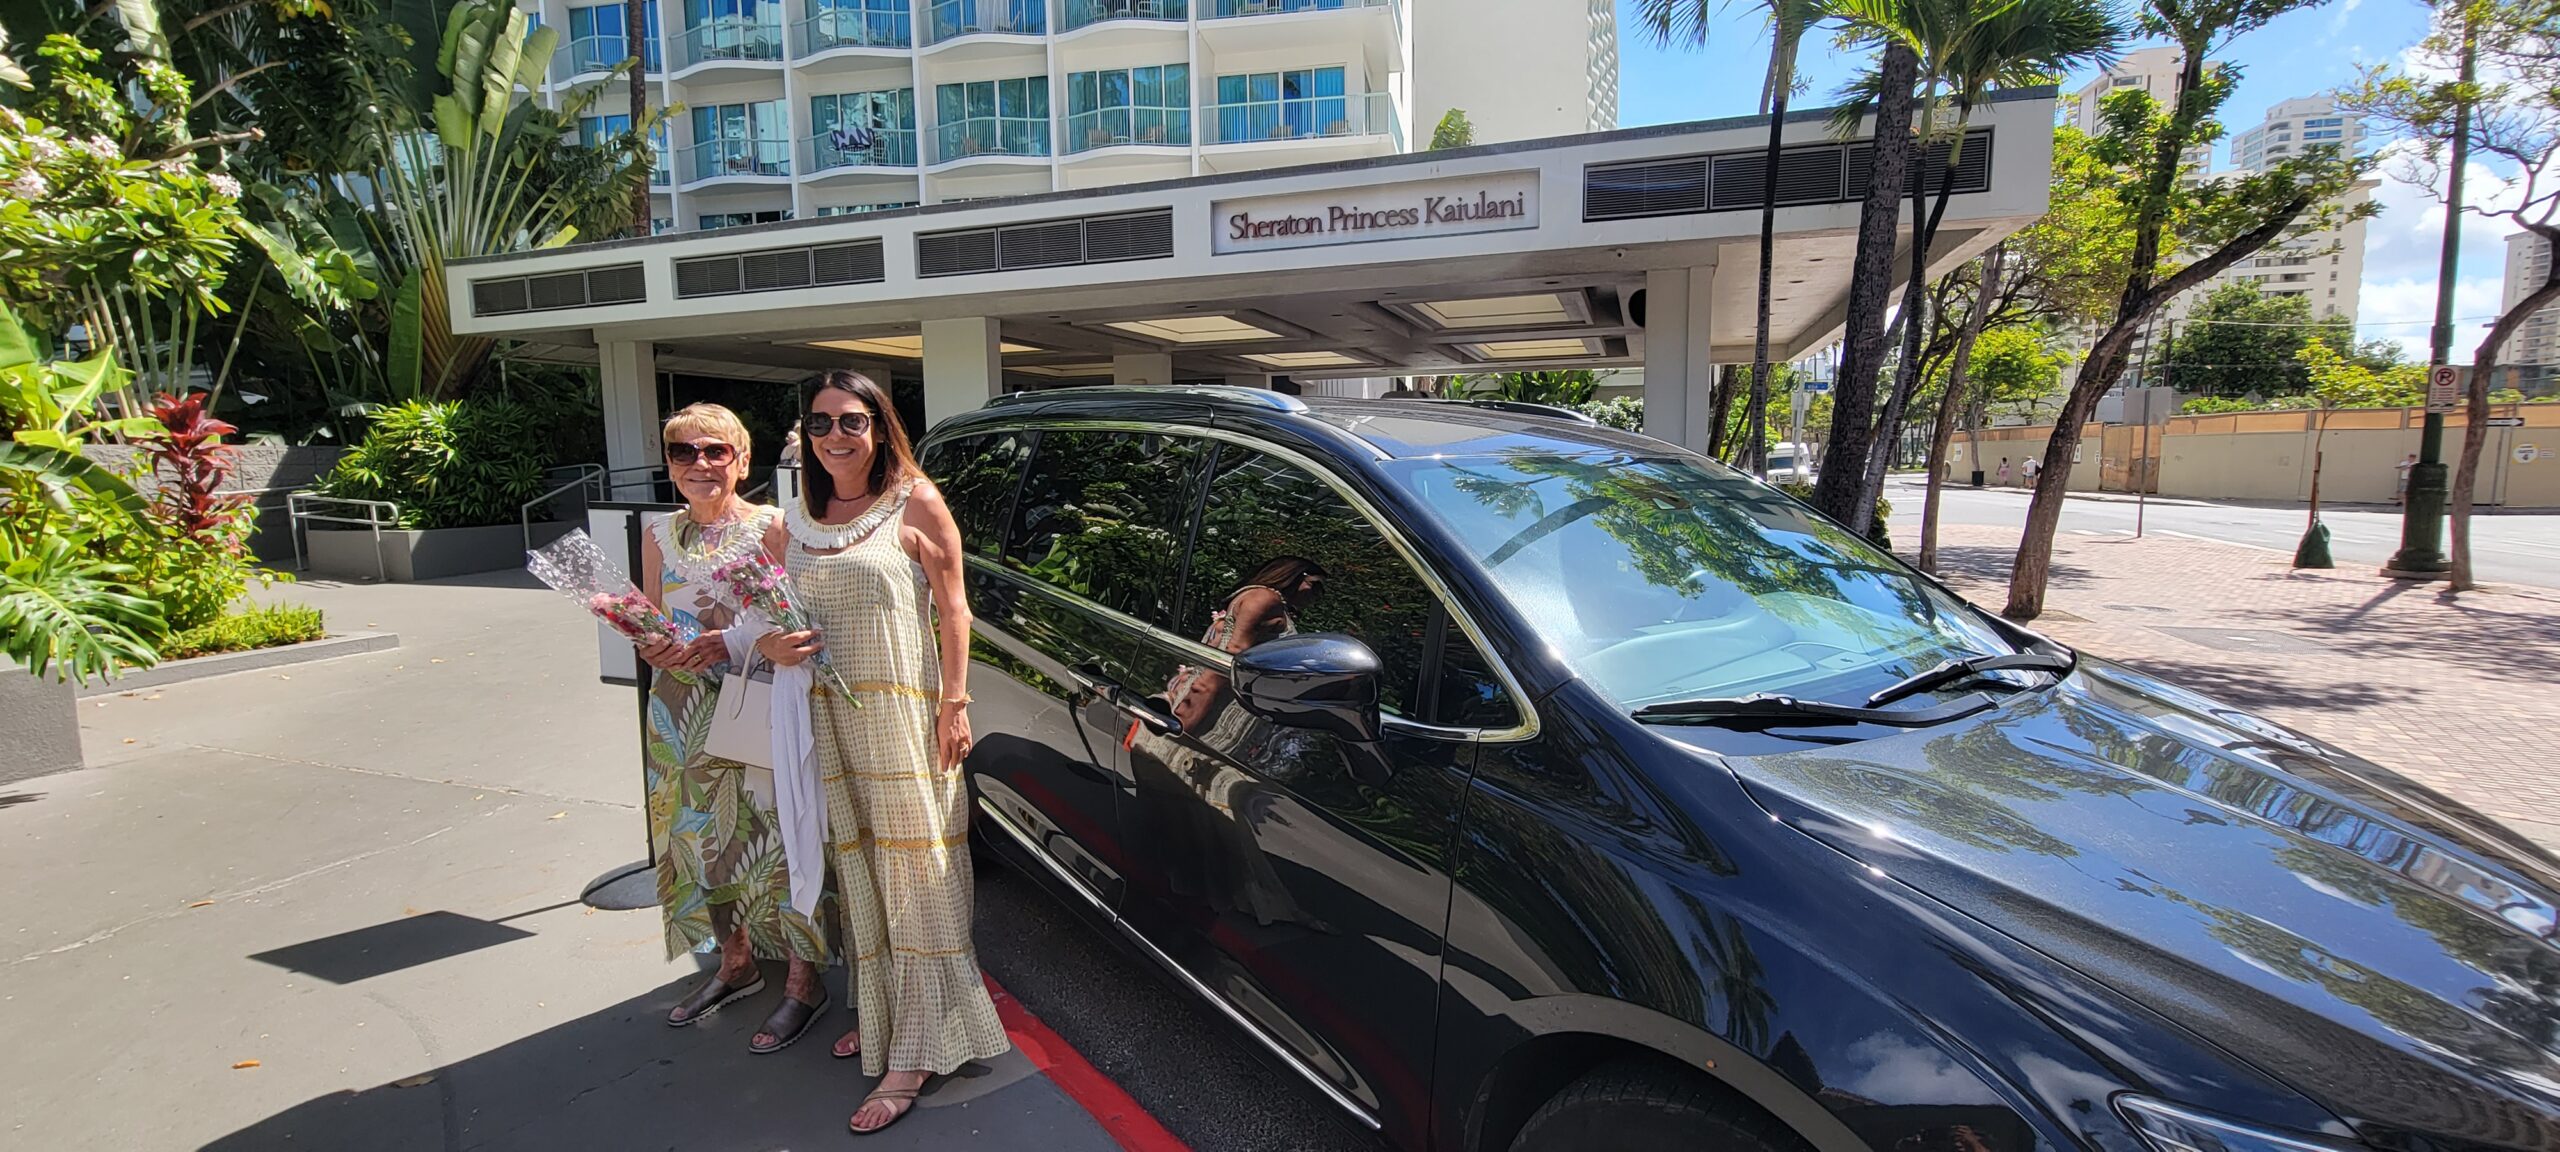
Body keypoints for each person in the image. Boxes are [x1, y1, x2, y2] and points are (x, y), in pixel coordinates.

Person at [760, 370, 1007, 1135]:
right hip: (828, 720)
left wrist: (955, 705)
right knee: (862, 868)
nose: (836, 436)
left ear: (879, 427)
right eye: (821, 422)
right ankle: (887, 1016)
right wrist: (772, 644)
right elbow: (765, 618)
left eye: (852, 421)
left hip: (903, 720)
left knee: (918, 874)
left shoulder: (914, 501)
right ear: (805, 434)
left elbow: (956, 609)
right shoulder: (792, 523)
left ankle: (920, 1047)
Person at [634, 403, 834, 1054]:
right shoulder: (658, 535)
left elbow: (798, 621)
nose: (700, 463)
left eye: (715, 450)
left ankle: (803, 980)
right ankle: (736, 961)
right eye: (683, 451)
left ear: (742, 461)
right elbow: (651, 618)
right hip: (679, 710)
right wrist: (653, 646)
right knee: (698, 839)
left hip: (757, 703)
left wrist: (732, 640)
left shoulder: (772, 527)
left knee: (777, 838)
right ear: (669, 465)